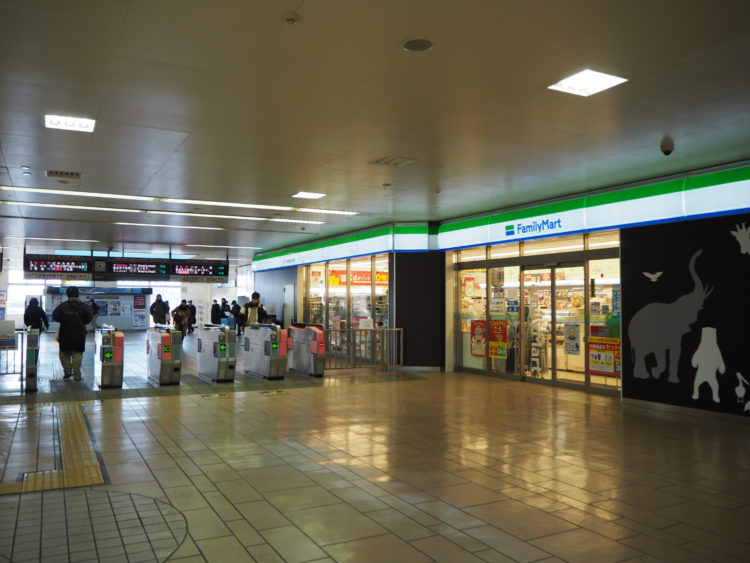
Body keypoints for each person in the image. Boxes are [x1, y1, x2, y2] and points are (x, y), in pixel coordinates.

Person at [52, 287, 92, 381]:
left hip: (65, 332)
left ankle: (67, 372)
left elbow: (55, 316)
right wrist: (81, 322)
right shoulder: (83, 306)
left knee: (64, 353)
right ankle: (77, 375)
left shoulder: (63, 306)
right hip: (79, 333)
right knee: (77, 354)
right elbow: (89, 318)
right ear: (78, 294)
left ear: (67, 294)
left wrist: (64, 320)